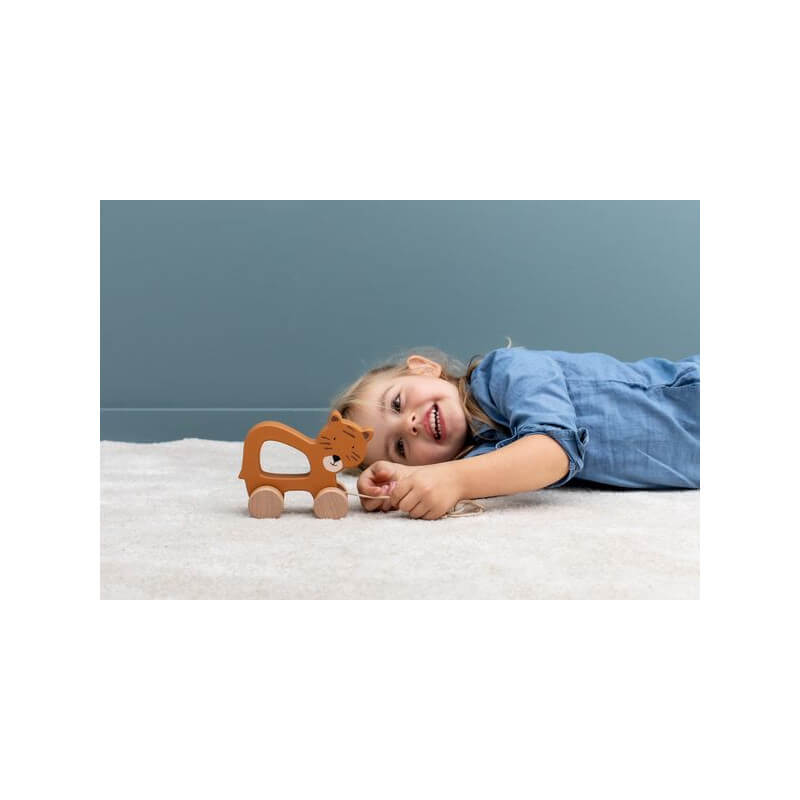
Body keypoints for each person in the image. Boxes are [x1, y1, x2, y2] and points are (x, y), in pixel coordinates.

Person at [329, 340, 700, 520]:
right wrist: (399, 485)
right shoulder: (481, 459)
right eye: (399, 448)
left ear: (424, 368)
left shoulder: (507, 369)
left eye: (397, 403)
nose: (408, 425)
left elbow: (553, 451)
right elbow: (471, 477)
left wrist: (451, 479)